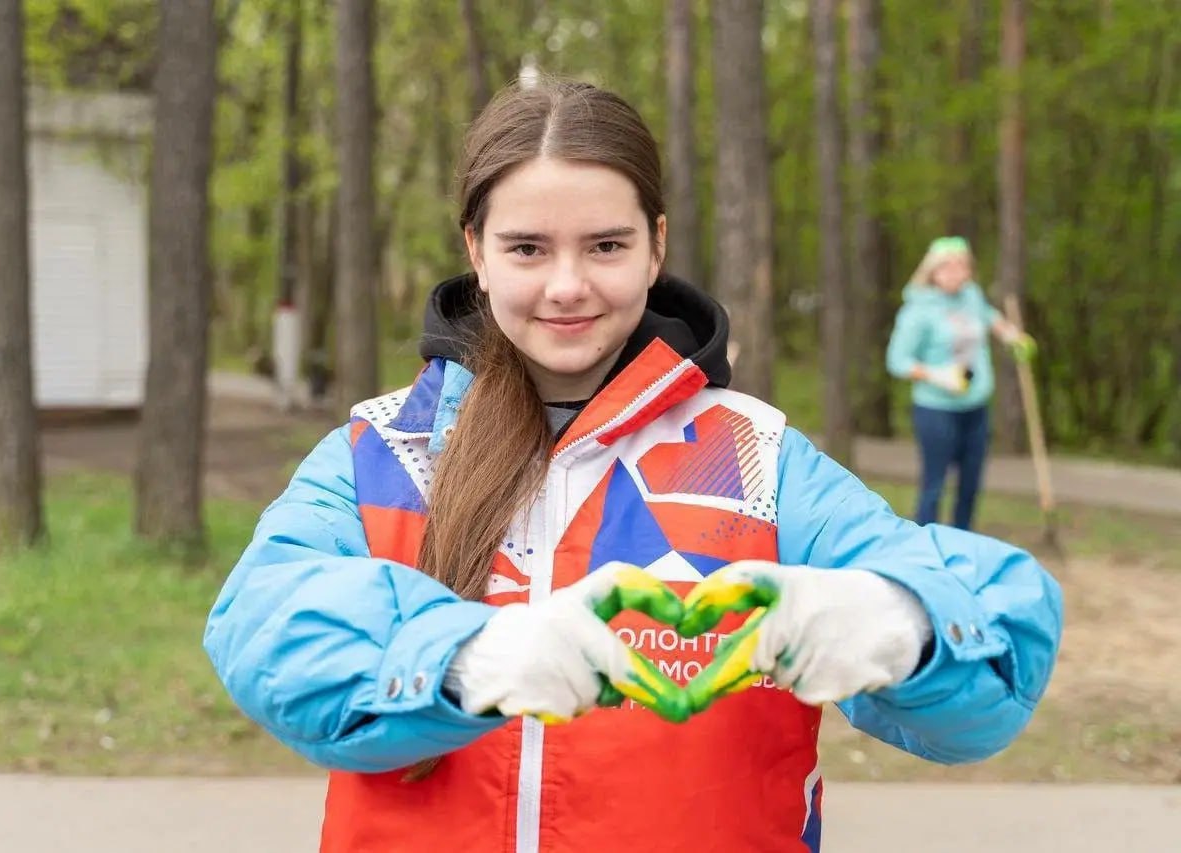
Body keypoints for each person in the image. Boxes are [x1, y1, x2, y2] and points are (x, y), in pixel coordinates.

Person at [205, 80, 1062, 853]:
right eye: (528, 248)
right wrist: (467, 655)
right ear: (475, 248)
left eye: (606, 246)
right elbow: (261, 627)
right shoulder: (384, 451)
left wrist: (905, 623)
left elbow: (987, 679)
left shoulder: (753, 457)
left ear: (656, 247)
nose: (568, 285)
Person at [886, 237, 1037, 530]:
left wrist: (1010, 335)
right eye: (947, 267)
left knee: (970, 485)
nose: (955, 272)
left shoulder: (971, 296)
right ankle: (925, 550)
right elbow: (897, 361)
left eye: (961, 265)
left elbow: (989, 316)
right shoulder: (918, 309)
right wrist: (938, 375)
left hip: (976, 407)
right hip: (936, 410)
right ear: (932, 271)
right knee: (935, 485)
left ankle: (963, 544)